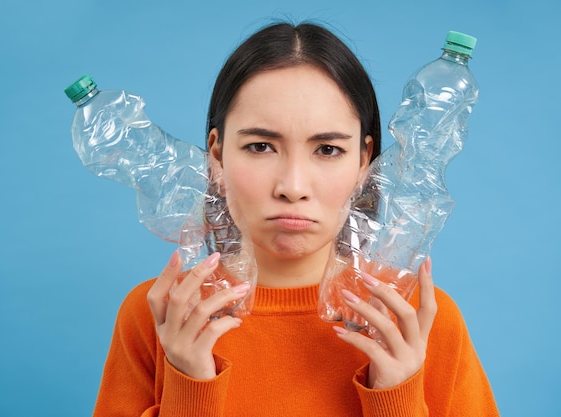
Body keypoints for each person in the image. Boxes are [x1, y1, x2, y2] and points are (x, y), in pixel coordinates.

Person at [92, 21, 499, 417]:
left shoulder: (419, 320)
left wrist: (397, 398)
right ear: (215, 156)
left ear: (363, 160)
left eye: (327, 150)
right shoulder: (161, 315)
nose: (292, 186)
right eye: (260, 146)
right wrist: (188, 388)